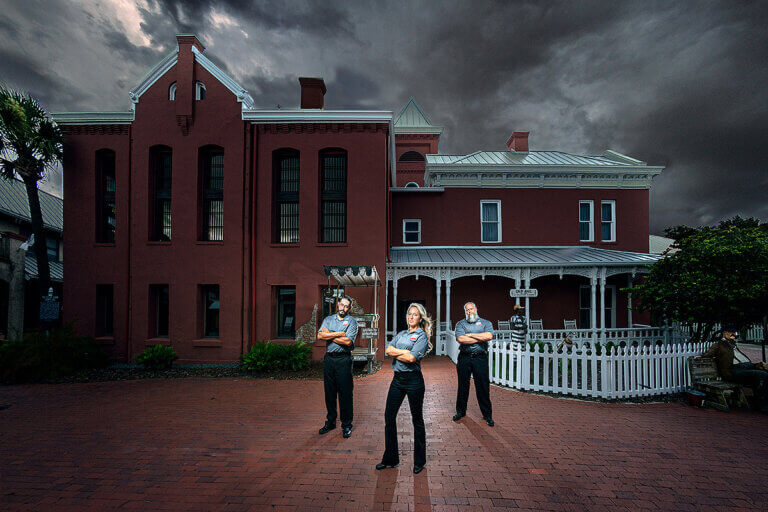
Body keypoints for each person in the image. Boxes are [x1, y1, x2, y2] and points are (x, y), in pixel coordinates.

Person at [376, 303, 431, 474]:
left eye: (414, 314)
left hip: (414, 381)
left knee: (417, 420)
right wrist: (403, 352)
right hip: (397, 380)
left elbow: (412, 358)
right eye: (409, 314)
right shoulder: (401, 334)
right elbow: (388, 350)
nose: (411, 317)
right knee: (389, 417)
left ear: (420, 318)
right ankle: (390, 459)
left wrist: (398, 352)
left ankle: (419, 461)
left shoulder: (422, 336)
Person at [696, 324, 768, 412]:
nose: (733, 334)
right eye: (730, 332)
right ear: (724, 333)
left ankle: (762, 400)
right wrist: (702, 357)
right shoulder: (719, 345)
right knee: (761, 375)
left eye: (734, 332)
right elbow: (710, 353)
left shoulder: (734, 345)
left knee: (764, 371)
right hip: (732, 371)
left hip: (745, 367)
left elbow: (741, 359)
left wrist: (756, 365)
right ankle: (762, 405)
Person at [317, 295, 358, 437]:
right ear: (338, 304)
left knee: (345, 393)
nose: (343, 308)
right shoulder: (328, 319)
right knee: (329, 393)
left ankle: (346, 425)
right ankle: (331, 422)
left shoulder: (352, 322)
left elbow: (348, 342)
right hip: (329, 360)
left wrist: (330, 334)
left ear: (349, 308)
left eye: (347, 306)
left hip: (343, 360)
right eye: (342, 305)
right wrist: (340, 333)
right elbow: (320, 336)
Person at [452, 302, 495, 426]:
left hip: (480, 358)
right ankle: (460, 412)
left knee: (483, 386)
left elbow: (489, 336)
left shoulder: (486, 323)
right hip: (464, 358)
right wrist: (479, 337)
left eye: (471, 309)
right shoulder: (460, 324)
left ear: (476, 309)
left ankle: (487, 415)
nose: (469, 311)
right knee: (463, 386)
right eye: (467, 310)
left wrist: (470, 335)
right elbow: (461, 339)